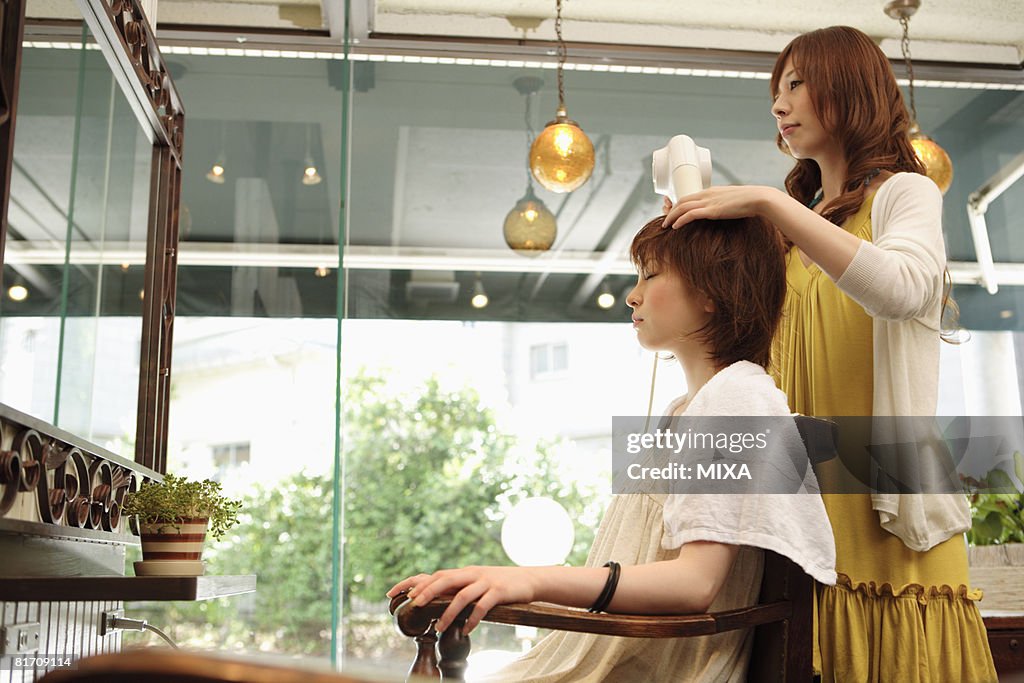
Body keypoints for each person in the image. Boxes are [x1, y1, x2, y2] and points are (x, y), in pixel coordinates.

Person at [662, 25, 998, 683]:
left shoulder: (906, 193)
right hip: (800, 502)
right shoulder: (793, 226)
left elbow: (901, 289)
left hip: (881, 504)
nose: (779, 106)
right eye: (775, 92)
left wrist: (766, 203)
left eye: (795, 84)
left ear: (847, 88)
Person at [388, 214, 837, 682]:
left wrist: (530, 579)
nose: (633, 294)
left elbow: (695, 583)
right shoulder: (692, 405)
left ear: (711, 291)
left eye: (651, 274)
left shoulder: (737, 398)